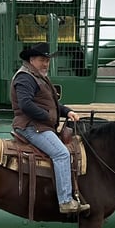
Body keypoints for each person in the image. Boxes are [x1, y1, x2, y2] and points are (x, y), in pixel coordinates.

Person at [11, 42, 91, 214]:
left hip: (40, 125)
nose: (46, 63)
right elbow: (25, 105)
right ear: (32, 60)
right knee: (62, 153)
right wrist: (48, 117)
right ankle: (65, 201)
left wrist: (67, 111)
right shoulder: (25, 77)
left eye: (47, 60)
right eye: (42, 60)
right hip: (32, 126)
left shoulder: (38, 76)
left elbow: (51, 103)